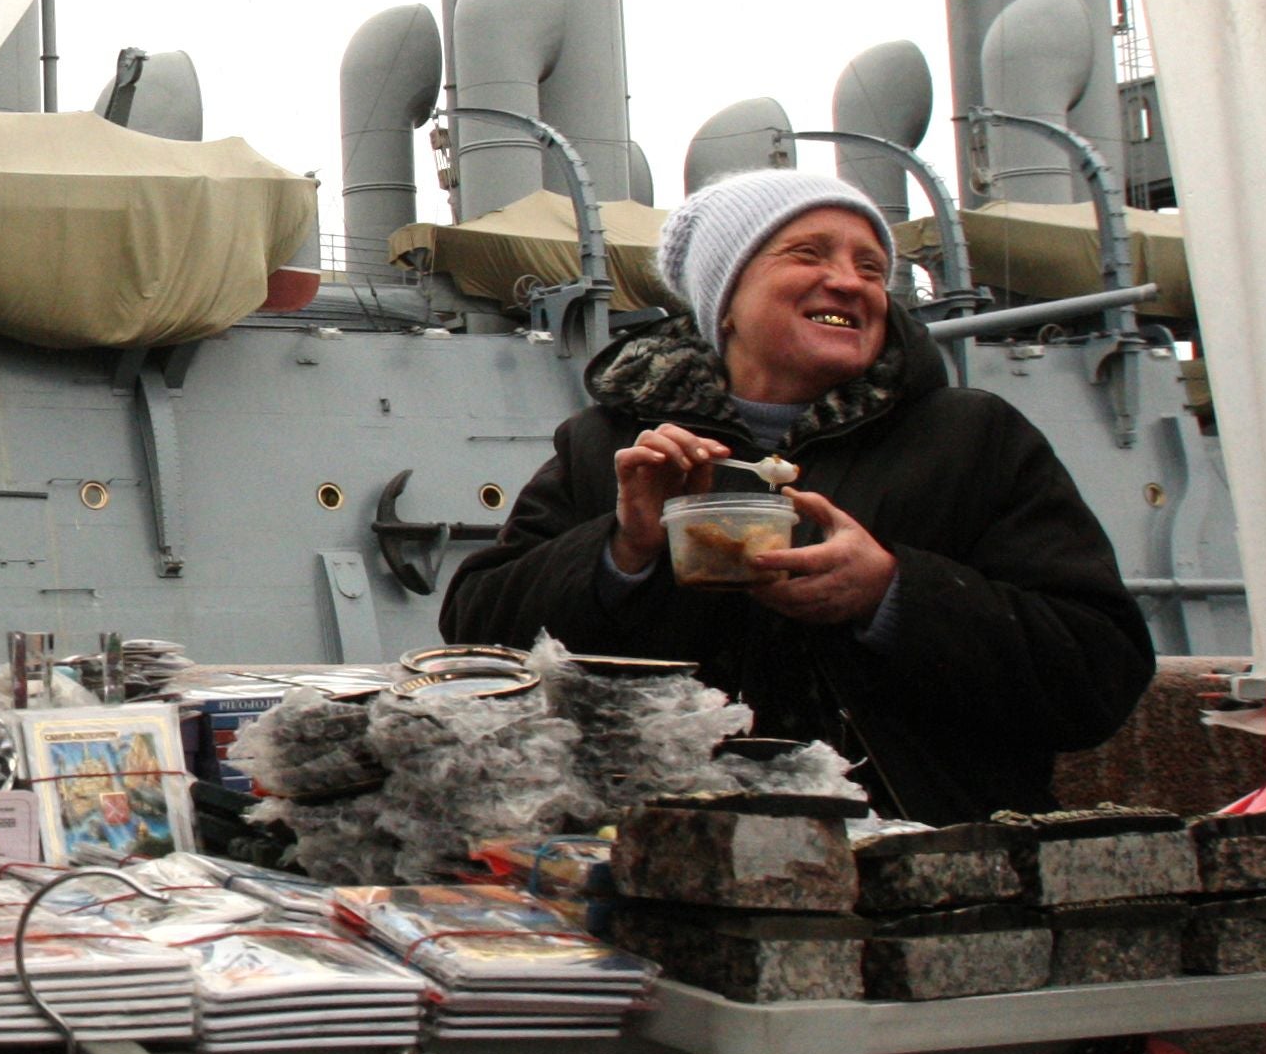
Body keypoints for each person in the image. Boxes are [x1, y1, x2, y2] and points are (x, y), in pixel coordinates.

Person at [440, 169, 1152, 821]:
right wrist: (624, 549)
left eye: (871, 266)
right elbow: (478, 633)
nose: (849, 281)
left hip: (917, 868)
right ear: (725, 302)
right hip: (658, 860)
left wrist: (894, 596)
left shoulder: (974, 441)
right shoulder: (610, 444)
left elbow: (1098, 670)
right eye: (809, 254)